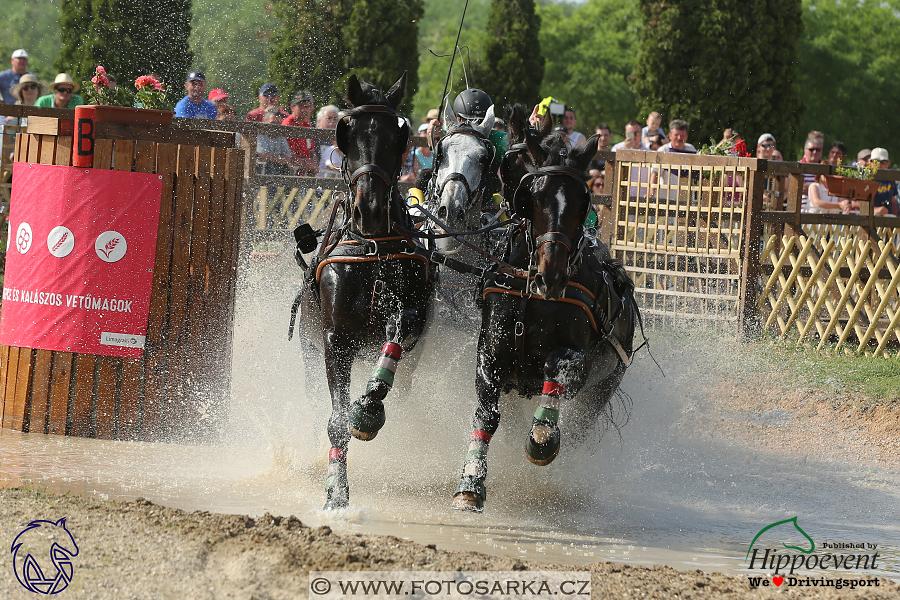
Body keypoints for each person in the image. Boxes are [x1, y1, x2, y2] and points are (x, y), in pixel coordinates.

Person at [4, 74, 46, 160]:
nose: (29, 89)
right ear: (21, 92)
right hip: (20, 154)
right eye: (25, 87)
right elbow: (9, 137)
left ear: (38, 90)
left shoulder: (46, 109)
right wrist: (12, 153)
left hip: (42, 153)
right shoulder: (16, 111)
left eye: (33, 86)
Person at [282, 91, 317, 176]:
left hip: (303, 172)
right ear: (292, 107)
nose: (304, 110)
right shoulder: (288, 124)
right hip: (290, 173)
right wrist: (308, 164)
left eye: (306, 106)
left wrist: (313, 163)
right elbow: (290, 156)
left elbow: (311, 151)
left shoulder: (306, 125)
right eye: (300, 106)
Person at [869, 148, 898, 216]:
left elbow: (894, 201)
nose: (879, 164)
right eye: (876, 161)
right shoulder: (866, 179)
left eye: (883, 161)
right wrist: (876, 210)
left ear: (887, 163)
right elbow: (856, 203)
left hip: (889, 219)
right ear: (871, 162)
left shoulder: (891, 179)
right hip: (871, 220)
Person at [316, 105, 342, 178]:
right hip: (317, 178)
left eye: (335, 118)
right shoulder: (314, 137)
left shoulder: (339, 138)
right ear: (319, 121)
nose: (332, 121)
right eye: (329, 118)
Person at [799, 136, 823, 209]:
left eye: (818, 149)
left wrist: (808, 188)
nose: (815, 152)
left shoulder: (825, 168)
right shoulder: (797, 167)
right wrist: (818, 189)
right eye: (811, 149)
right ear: (805, 151)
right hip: (800, 210)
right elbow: (797, 188)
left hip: (821, 211)